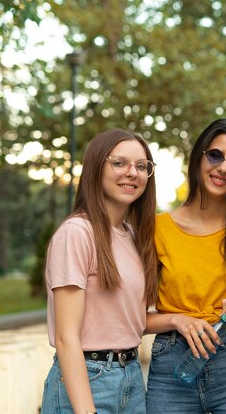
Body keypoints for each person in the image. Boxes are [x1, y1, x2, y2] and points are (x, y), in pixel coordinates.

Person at [144, 118, 226, 414]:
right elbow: (133, 320)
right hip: (172, 364)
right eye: (215, 155)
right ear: (198, 157)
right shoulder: (157, 230)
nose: (224, 167)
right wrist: (177, 320)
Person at [42, 129, 158, 414]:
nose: (132, 172)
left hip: (130, 377)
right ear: (96, 168)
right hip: (88, 379)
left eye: (142, 166)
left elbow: (129, 322)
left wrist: (181, 321)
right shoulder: (77, 233)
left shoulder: (131, 236)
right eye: (119, 163)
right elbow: (66, 337)